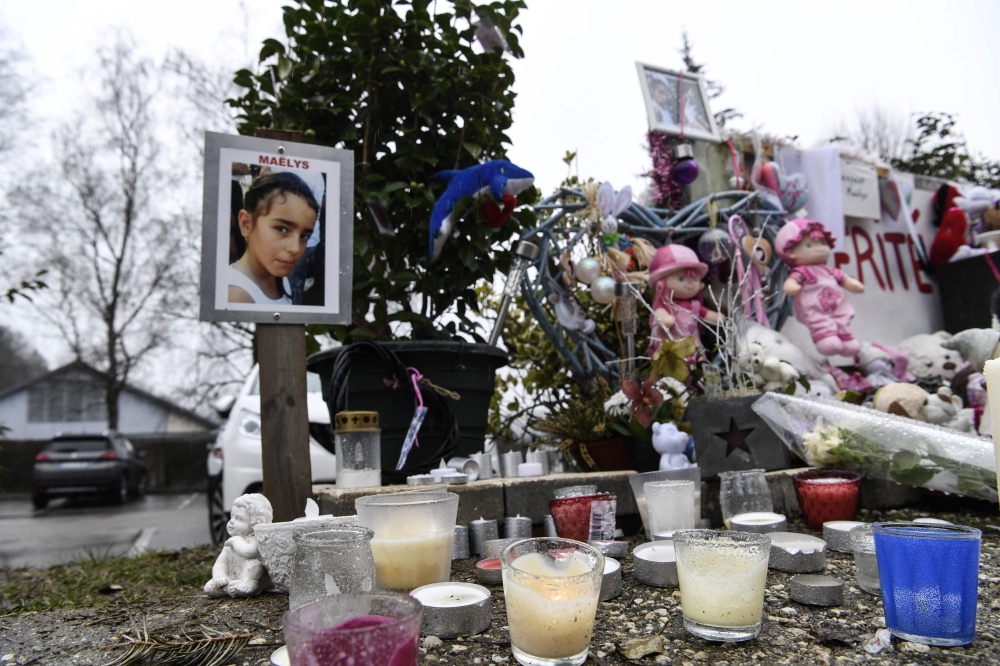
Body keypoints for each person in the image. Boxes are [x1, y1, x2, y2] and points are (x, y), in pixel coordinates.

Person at [227, 171, 320, 305]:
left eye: (304, 236)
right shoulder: (237, 296)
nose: (295, 248)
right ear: (246, 224)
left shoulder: (278, 277)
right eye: (282, 229)